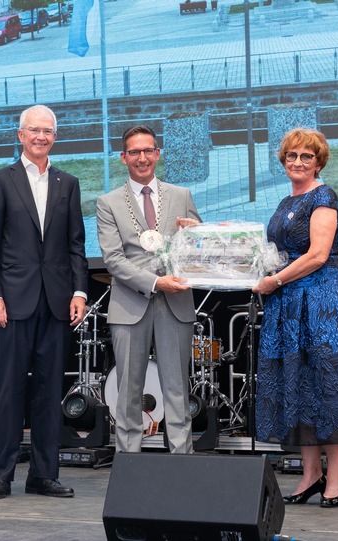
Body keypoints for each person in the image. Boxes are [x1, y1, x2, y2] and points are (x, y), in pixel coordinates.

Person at [252, 127, 338, 508]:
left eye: (307, 156)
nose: (298, 162)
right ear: (283, 161)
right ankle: (310, 476)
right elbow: (273, 251)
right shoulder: (283, 201)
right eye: (292, 156)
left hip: (321, 304)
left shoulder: (324, 196)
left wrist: (274, 279)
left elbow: (319, 254)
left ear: (319, 161)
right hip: (288, 307)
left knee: (327, 387)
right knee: (297, 384)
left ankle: (336, 478)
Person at [0, 104, 88, 499]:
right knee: (9, 389)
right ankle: (1, 474)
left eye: (48, 131)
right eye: (34, 130)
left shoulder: (68, 183)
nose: (42, 137)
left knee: (48, 391)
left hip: (57, 302)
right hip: (11, 302)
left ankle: (43, 474)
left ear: (55, 137)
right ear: (20, 135)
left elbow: (76, 244)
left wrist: (79, 291)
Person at [96, 125, 200, 454]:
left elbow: (198, 250)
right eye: (135, 152)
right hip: (130, 305)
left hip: (176, 304)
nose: (142, 158)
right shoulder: (108, 202)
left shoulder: (181, 196)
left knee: (177, 391)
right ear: (123, 158)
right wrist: (156, 282)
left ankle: (182, 470)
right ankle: (129, 469)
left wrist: (196, 236)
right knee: (128, 393)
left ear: (158, 154)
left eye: (148, 151)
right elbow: (113, 260)